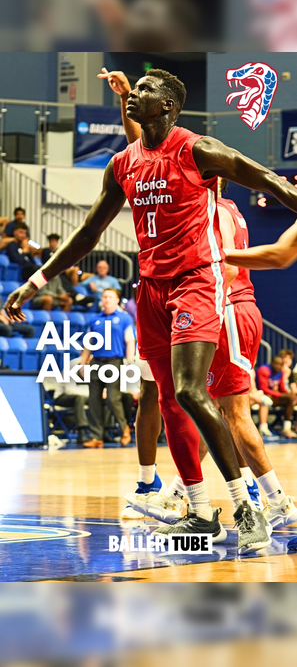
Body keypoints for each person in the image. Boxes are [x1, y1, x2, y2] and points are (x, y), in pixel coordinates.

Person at [7, 69, 297, 552]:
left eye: (145, 90)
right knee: (164, 399)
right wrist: (37, 279)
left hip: (196, 283)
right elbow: (88, 233)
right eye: (133, 89)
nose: (133, 95)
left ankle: (246, 505)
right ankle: (201, 514)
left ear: (167, 106)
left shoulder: (199, 149)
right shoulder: (123, 163)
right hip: (150, 290)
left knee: (189, 389)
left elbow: (270, 179)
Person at [126, 183, 297, 533]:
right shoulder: (228, 207)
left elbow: (232, 267)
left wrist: (194, 291)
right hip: (232, 311)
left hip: (228, 310)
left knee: (233, 413)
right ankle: (178, 492)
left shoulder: (212, 210)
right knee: (209, 410)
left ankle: (276, 502)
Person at [80, 288, 135, 448]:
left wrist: (130, 363)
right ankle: (96, 436)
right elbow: (88, 343)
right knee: (94, 400)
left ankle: (123, 428)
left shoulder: (124, 319)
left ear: (117, 300)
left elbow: (130, 341)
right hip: (96, 362)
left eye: (111, 296)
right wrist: (83, 363)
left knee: (112, 399)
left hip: (114, 362)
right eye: (105, 296)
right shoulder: (95, 319)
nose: (107, 299)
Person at [255, 356, 297, 438]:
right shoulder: (264, 370)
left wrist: (289, 395)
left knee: (290, 399)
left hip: (272, 396)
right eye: (276, 364)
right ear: (271, 363)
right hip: (260, 395)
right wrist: (280, 395)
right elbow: (263, 389)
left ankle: (286, 429)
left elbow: (281, 388)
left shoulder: (280, 372)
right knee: (267, 398)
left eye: (280, 364)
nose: (278, 366)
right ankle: (263, 428)